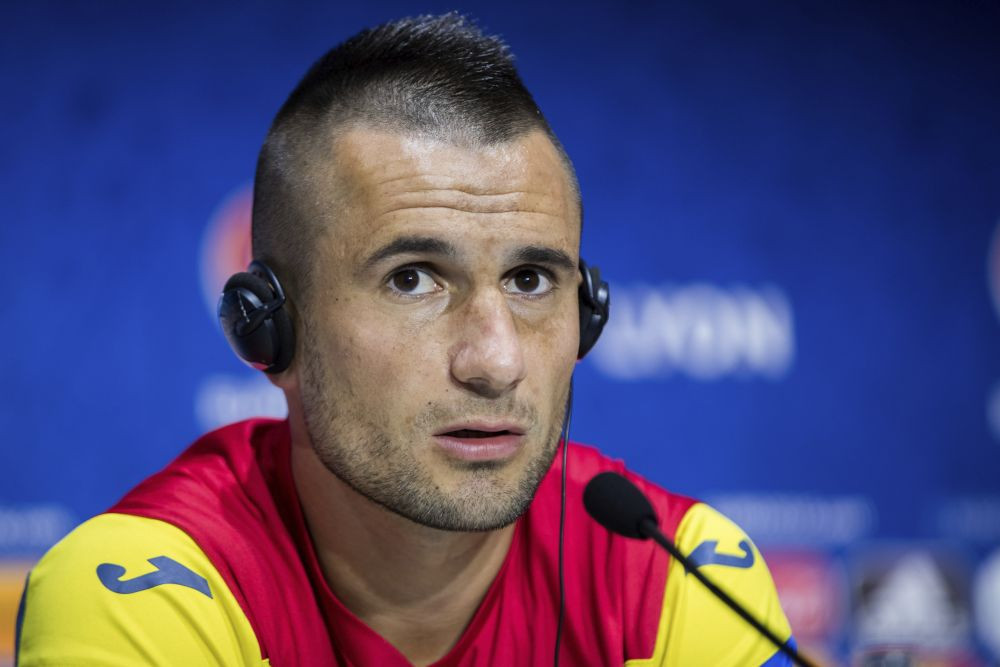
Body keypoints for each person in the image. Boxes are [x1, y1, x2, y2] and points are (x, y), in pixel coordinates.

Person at [16, 14, 794, 666]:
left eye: (529, 280)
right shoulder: (149, 589)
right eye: (413, 279)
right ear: (270, 328)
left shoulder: (670, 578)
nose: (497, 360)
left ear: (587, 314)